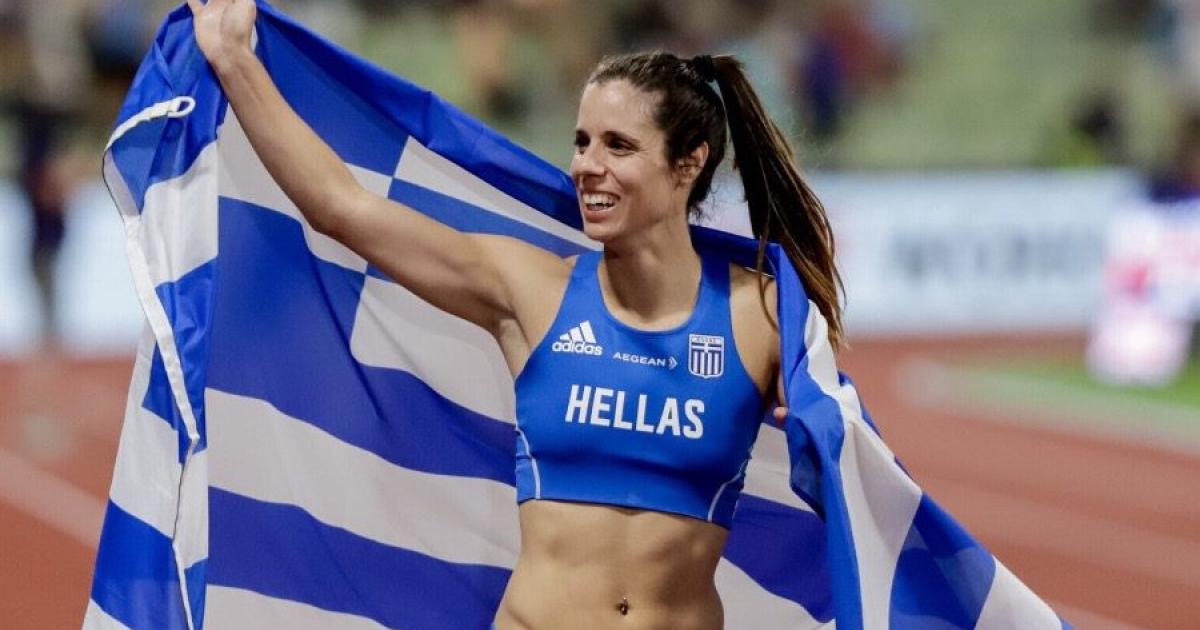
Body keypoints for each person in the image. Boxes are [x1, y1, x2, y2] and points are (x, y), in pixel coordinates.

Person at [188, 0, 842, 627]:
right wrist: (236, 60)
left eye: (618, 145)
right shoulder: (533, 292)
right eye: (582, 142)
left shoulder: (760, 315)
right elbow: (342, 207)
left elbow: (843, 466)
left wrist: (814, 429)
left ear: (689, 162)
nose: (587, 166)